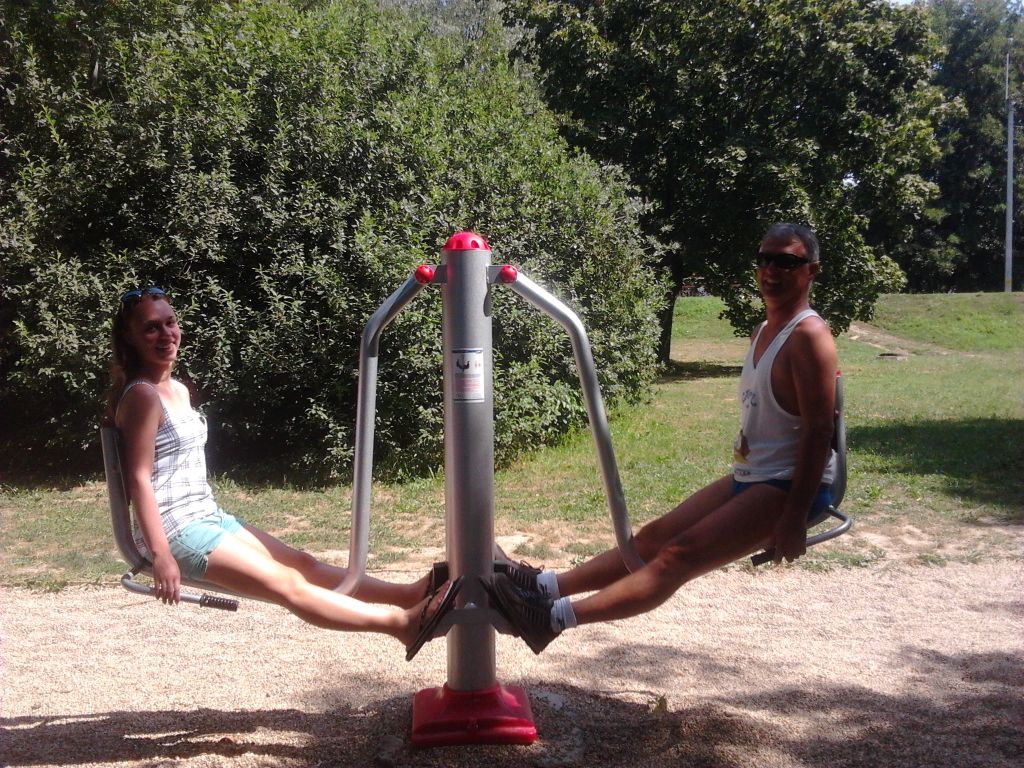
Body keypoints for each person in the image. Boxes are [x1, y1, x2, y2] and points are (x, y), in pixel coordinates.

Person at [486, 223, 839, 653]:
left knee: (678, 555)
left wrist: (794, 518)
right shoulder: (763, 331)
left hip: (789, 484)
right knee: (651, 539)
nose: (772, 270)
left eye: (787, 261)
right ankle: (544, 587)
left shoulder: (808, 336)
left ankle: (549, 618)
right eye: (765, 259)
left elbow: (820, 431)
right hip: (754, 474)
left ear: (811, 271)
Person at [107, 286, 460, 660]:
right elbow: (139, 480)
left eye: (170, 323)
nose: (166, 334)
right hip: (175, 530)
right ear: (130, 339)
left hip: (205, 515)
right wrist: (161, 555)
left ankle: (408, 595)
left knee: (303, 564)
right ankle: (402, 624)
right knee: (286, 583)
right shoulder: (143, 396)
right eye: (151, 328)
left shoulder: (176, 389)